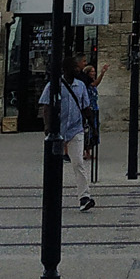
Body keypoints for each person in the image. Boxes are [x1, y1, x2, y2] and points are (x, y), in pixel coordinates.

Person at [39, 57, 96, 211]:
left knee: (78, 162)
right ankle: (51, 195)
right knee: (54, 166)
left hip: (75, 129)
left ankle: (84, 196)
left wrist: (93, 126)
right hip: (58, 130)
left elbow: (85, 107)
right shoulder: (54, 86)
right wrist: (48, 127)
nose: (77, 70)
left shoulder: (81, 86)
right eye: (74, 67)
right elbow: (46, 107)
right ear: (66, 69)